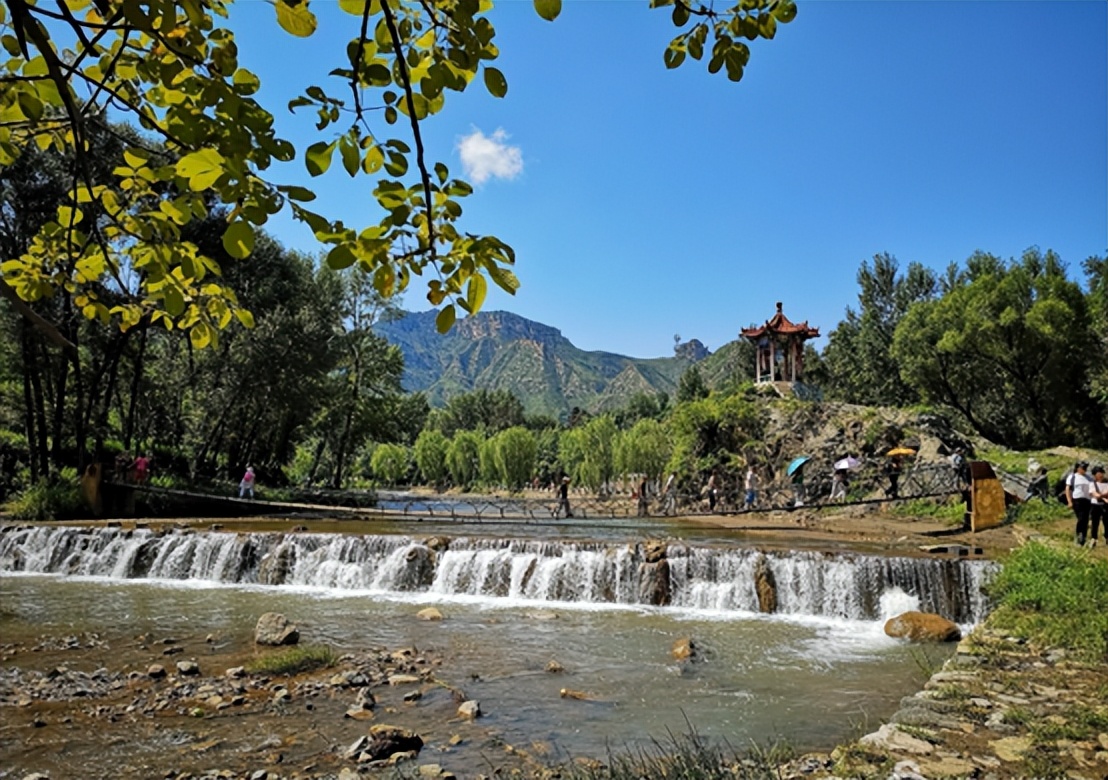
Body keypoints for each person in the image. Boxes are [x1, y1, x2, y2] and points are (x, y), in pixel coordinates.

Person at [1065, 461, 1093, 546]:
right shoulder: (1072, 477)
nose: (1084, 469)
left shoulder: (1089, 478)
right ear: (1078, 468)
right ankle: (1078, 536)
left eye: (1085, 468)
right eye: (1083, 467)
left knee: (1086, 519)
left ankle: (1083, 538)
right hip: (1077, 500)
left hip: (1087, 500)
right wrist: (1069, 501)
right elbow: (1068, 489)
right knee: (1081, 518)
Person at [1088, 466, 1107, 548]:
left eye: (1102, 473)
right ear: (1094, 475)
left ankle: (1107, 537)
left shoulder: (1107, 483)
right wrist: (1103, 496)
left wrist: (1100, 496)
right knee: (1095, 523)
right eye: (1099, 474)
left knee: (1107, 522)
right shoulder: (1092, 484)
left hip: (1106, 505)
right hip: (1095, 505)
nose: (1101, 475)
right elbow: (1094, 494)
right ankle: (1094, 538)